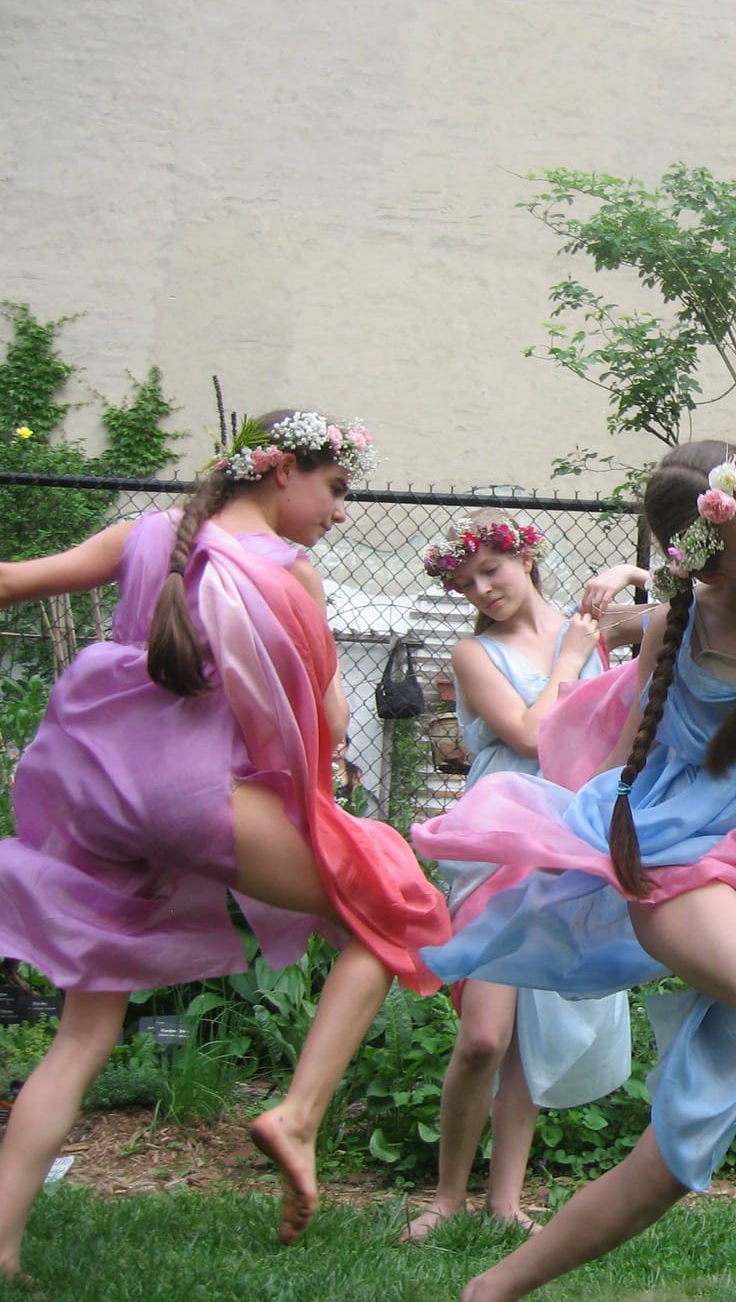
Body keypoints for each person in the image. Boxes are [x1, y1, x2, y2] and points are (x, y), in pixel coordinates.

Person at [413, 428, 736, 1302]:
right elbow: (625, 748)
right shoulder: (682, 628)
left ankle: (490, 1289)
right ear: (712, 568)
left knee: (680, 1147)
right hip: (675, 863)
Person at [0, 409, 451, 1278]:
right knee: (392, 909)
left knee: (82, 1037)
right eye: (337, 488)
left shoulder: (142, 535)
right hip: (190, 795)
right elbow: (327, 721)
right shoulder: (289, 572)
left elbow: (13, 579)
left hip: (99, 790)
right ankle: (299, 1116)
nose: (342, 511)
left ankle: (5, 1245)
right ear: (281, 471)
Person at [401, 509, 650, 1242]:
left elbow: (688, 603)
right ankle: (447, 1196)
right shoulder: (473, 653)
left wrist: (626, 575)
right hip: (498, 832)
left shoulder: (598, 623)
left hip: (568, 829)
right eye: (466, 581)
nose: (481, 589)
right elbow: (530, 735)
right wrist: (572, 658)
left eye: (491, 570)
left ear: (526, 559)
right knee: (484, 1034)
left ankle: (503, 1200)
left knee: (532, 1032)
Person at [333, 734, 380, 817]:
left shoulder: (354, 772)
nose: (335, 746)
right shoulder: (316, 769)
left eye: (340, 742)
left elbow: (356, 802)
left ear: (347, 747)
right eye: (332, 742)